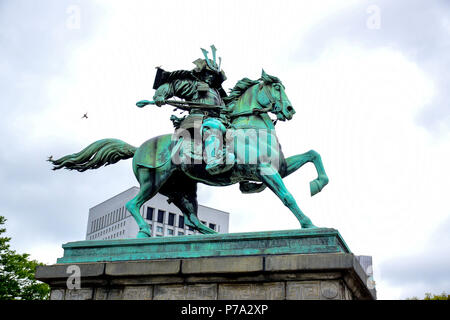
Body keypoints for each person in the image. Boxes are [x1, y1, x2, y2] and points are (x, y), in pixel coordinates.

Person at [151, 45, 234, 175]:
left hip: (219, 121)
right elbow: (171, 85)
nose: (210, 77)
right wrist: (160, 95)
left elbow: (224, 110)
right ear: (201, 73)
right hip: (198, 119)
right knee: (212, 126)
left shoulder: (218, 94)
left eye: (213, 75)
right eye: (208, 73)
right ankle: (213, 160)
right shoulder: (194, 85)